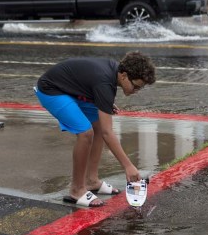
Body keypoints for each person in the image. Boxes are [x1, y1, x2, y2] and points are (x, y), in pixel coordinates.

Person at [35, 52, 156, 207]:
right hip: (51, 90)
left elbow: (90, 83)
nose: (136, 91)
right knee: (86, 133)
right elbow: (108, 132)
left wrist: (103, 101)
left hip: (72, 89)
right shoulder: (105, 82)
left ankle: (92, 180)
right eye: (136, 86)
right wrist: (128, 166)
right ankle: (77, 189)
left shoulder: (113, 75)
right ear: (124, 76)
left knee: (98, 126)